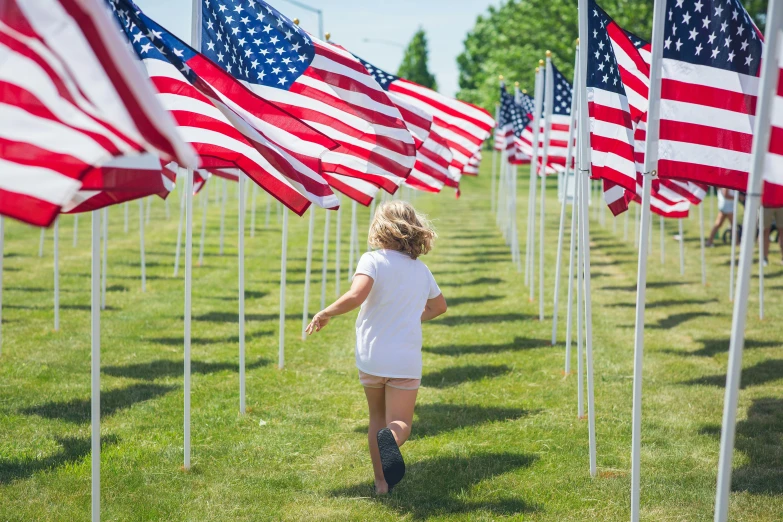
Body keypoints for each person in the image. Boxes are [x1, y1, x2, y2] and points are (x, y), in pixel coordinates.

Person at [305, 201, 447, 495]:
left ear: (379, 228)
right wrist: (412, 316)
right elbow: (439, 306)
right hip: (404, 359)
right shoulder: (421, 270)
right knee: (399, 424)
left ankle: (382, 484)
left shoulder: (372, 260)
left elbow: (356, 296)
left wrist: (325, 312)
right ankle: (391, 441)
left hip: (372, 355)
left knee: (376, 419)